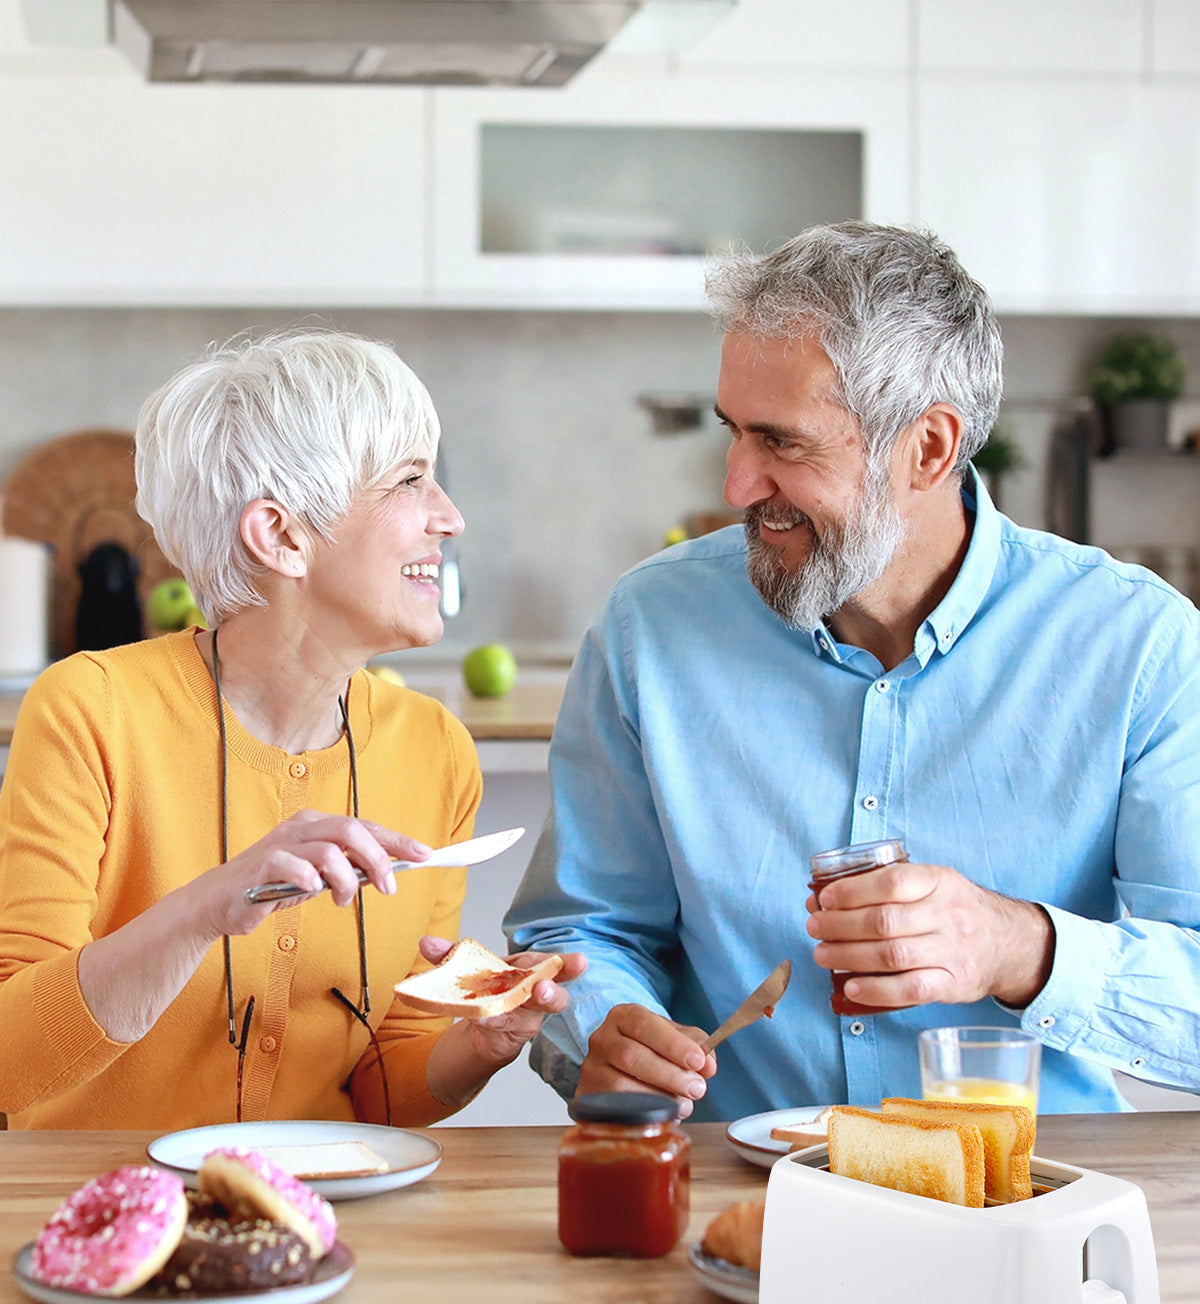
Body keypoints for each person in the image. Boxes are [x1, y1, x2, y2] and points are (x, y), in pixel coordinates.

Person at [506, 221, 1200, 1120]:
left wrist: (1020, 948)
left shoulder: (1138, 647)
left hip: (1026, 1197)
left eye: (783, 444)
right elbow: (582, 930)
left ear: (930, 449)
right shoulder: (652, 627)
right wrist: (605, 1027)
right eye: (733, 433)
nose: (737, 484)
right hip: (739, 1201)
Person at [0, 328, 581, 1130]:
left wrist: (483, 1042)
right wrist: (209, 905)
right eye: (411, 481)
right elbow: (11, 1061)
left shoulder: (435, 749)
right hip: (102, 1210)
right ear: (280, 536)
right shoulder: (91, 712)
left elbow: (386, 1084)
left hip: (322, 1215)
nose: (449, 517)